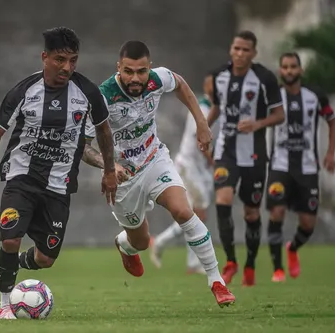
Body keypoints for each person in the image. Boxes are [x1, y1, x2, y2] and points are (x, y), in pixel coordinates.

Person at [82, 40, 235, 307]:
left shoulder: (158, 78)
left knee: (184, 211)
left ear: (149, 68)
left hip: (155, 161)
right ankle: (125, 245)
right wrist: (109, 167)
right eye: (128, 71)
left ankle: (216, 281)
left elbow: (181, 85)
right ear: (118, 67)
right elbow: (83, 148)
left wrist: (201, 122)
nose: (136, 78)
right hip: (124, 178)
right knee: (140, 241)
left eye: (141, 71)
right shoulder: (102, 97)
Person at [0, 27, 117, 320]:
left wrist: (109, 170)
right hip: (21, 179)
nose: (67, 67)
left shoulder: (88, 92)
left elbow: (104, 132)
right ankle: (5, 306)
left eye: (73, 60)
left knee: (46, 258)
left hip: (59, 185)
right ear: (45, 57)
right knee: (10, 238)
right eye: (59, 59)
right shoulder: (23, 91)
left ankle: (10, 264)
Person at [207, 30, 285, 286]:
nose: (239, 54)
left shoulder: (264, 79)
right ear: (231, 49)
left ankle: (250, 263)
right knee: (223, 199)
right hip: (226, 151)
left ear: (253, 53)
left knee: (251, 213)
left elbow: (280, 115)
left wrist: (258, 123)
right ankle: (230, 261)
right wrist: (203, 128)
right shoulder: (220, 76)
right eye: (236, 48)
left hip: (254, 155)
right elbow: (217, 109)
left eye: (245, 50)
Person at [266, 52, 335, 282]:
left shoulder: (315, 96)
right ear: (280, 70)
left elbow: (331, 120)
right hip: (280, 165)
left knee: (308, 223)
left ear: (300, 70)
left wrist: (331, 152)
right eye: (285, 67)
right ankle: (277, 269)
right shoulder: (273, 96)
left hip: (307, 168)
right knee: (277, 212)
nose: (289, 71)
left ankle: (293, 248)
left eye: (293, 67)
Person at [149, 74, 216, 275]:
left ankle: (164, 244)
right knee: (198, 214)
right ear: (206, 86)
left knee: (196, 215)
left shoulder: (219, 108)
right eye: (213, 83)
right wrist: (216, 162)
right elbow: (201, 138)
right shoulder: (203, 108)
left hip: (202, 168)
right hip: (189, 166)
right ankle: (191, 261)